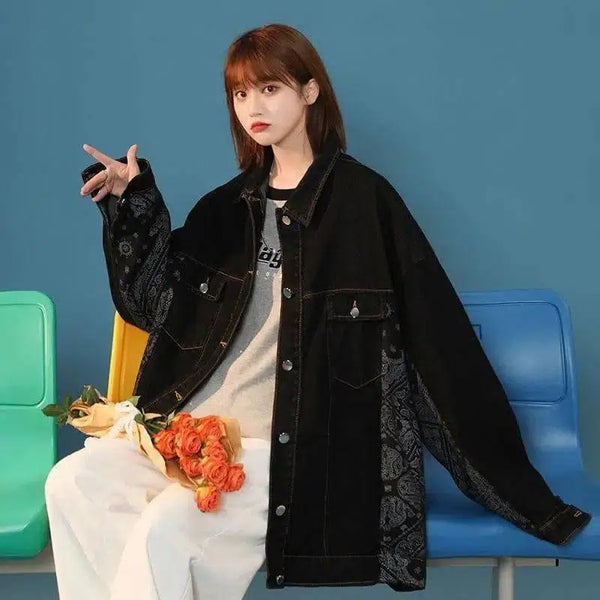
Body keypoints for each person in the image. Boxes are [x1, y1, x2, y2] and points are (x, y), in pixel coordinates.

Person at [45, 22, 592, 599]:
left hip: (271, 453)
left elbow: (440, 340)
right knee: (72, 482)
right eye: (240, 93)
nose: (253, 107)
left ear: (310, 91)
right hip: (181, 435)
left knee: (165, 531)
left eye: (269, 88)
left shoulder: (365, 203)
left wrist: (519, 490)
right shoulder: (224, 209)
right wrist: (132, 206)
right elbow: (151, 307)